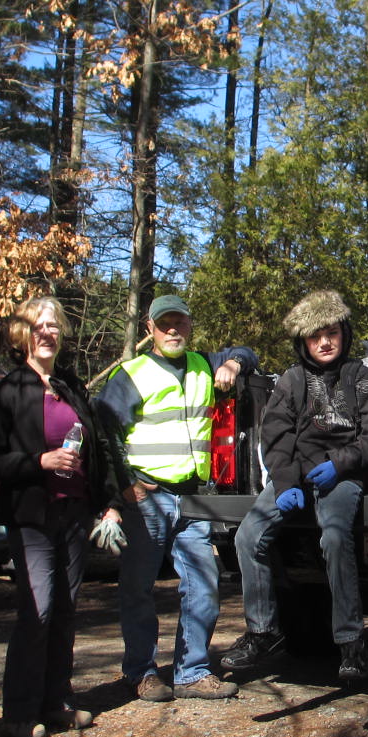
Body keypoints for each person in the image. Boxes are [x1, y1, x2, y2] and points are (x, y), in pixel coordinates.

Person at [96, 294, 258, 701]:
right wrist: (124, 486)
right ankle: (140, 672)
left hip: (194, 498)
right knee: (138, 588)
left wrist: (234, 363)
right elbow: (104, 435)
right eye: (164, 323)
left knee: (203, 585)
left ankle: (191, 671)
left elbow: (248, 354)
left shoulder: (205, 363)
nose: (172, 330)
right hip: (146, 497)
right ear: (149, 329)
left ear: (189, 326)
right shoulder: (130, 375)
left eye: (180, 323)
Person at [0, 297, 123, 737]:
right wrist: (39, 461)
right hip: (32, 517)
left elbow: (97, 446)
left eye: (54, 326)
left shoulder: (70, 385)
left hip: (75, 513)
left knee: (64, 610)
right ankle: (19, 712)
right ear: (24, 334)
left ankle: (56, 702)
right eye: (39, 326)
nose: (47, 333)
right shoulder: (9, 391)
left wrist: (109, 502)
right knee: (37, 611)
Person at [221, 291, 368, 682]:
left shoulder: (361, 377)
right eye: (315, 336)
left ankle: (351, 643)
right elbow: (275, 437)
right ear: (303, 342)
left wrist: (338, 464)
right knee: (248, 537)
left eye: (331, 333)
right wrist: (285, 482)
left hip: (341, 477)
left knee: (333, 537)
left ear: (343, 333)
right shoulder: (292, 380)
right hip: (296, 476)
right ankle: (263, 632)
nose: (325, 342)